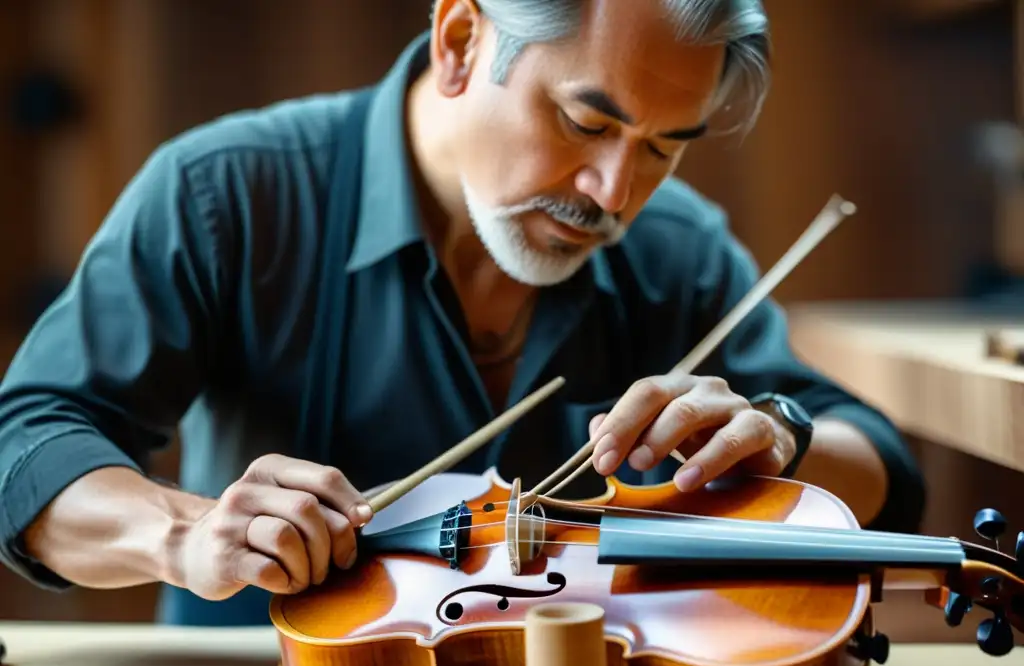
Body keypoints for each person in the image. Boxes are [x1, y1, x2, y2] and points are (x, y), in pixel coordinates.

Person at [0, 0, 925, 626]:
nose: (614, 194)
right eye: (587, 123)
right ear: (458, 43)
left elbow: (877, 467)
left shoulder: (678, 248)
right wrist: (183, 533)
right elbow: (27, 446)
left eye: (663, 148)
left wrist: (780, 439)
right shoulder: (225, 193)